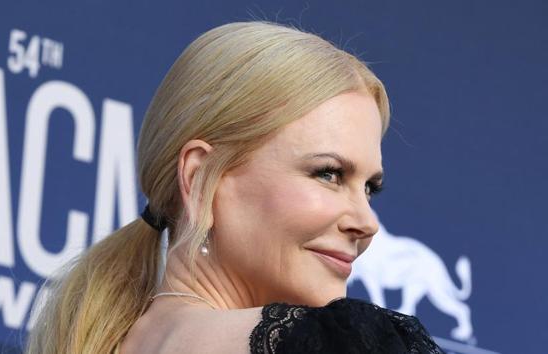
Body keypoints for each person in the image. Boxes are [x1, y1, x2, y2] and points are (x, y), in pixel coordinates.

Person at [25, 21, 445, 354]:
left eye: (370, 188)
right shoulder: (344, 343)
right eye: (328, 174)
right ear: (200, 176)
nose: (366, 223)